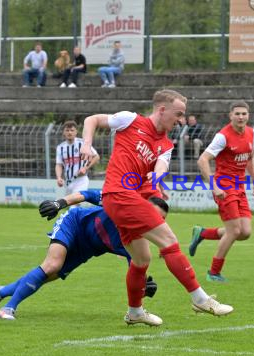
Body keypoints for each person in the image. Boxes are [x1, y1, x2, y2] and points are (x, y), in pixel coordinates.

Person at [80, 89, 233, 326]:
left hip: (126, 199)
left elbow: (161, 166)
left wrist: (157, 179)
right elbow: (92, 120)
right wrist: (87, 145)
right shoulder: (130, 120)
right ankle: (200, 298)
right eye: (178, 114)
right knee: (169, 240)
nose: (181, 120)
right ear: (162, 110)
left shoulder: (166, 144)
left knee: (141, 259)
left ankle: (135, 311)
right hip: (119, 195)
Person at [0, 190, 165, 321]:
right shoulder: (120, 204)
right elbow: (87, 194)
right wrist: (59, 203)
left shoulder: (137, 243)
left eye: (161, 219)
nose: (156, 221)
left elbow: (135, 275)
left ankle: (0, 292)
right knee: (52, 265)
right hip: (74, 223)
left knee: (46, 276)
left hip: (88, 249)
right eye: (154, 215)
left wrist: (142, 287)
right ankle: (8, 308)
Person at [189, 101, 254, 282]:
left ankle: (203, 233)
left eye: (244, 114)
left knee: (245, 232)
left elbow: (250, 157)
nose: (241, 117)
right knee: (234, 230)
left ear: (248, 115)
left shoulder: (251, 133)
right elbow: (202, 160)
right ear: (230, 116)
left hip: (240, 186)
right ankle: (213, 273)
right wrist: (214, 186)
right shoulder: (223, 136)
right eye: (237, 114)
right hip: (224, 187)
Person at [56, 121, 100, 196]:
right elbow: (59, 164)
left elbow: (96, 157)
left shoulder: (82, 143)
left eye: (72, 130)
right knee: (70, 205)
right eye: (67, 130)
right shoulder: (60, 147)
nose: (69, 133)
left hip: (81, 180)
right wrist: (59, 177)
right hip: (68, 181)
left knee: (75, 204)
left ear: (76, 132)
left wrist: (85, 168)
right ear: (63, 132)